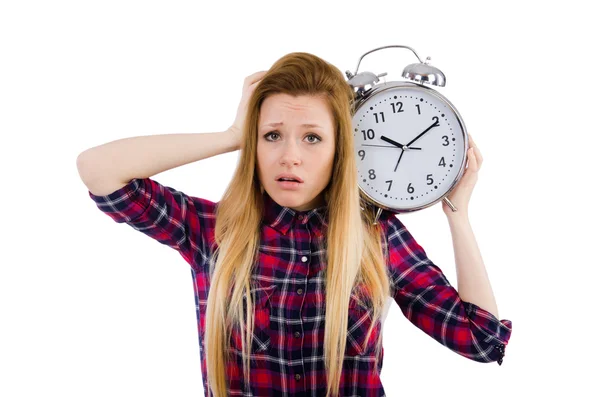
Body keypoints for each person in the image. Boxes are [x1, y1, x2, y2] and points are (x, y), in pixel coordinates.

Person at [76, 52, 512, 397]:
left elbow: (482, 339)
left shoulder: (377, 238)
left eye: (312, 137)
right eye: (271, 135)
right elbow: (99, 170)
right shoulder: (212, 231)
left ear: (342, 148)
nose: (290, 156)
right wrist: (231, 134)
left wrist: (458, 216)